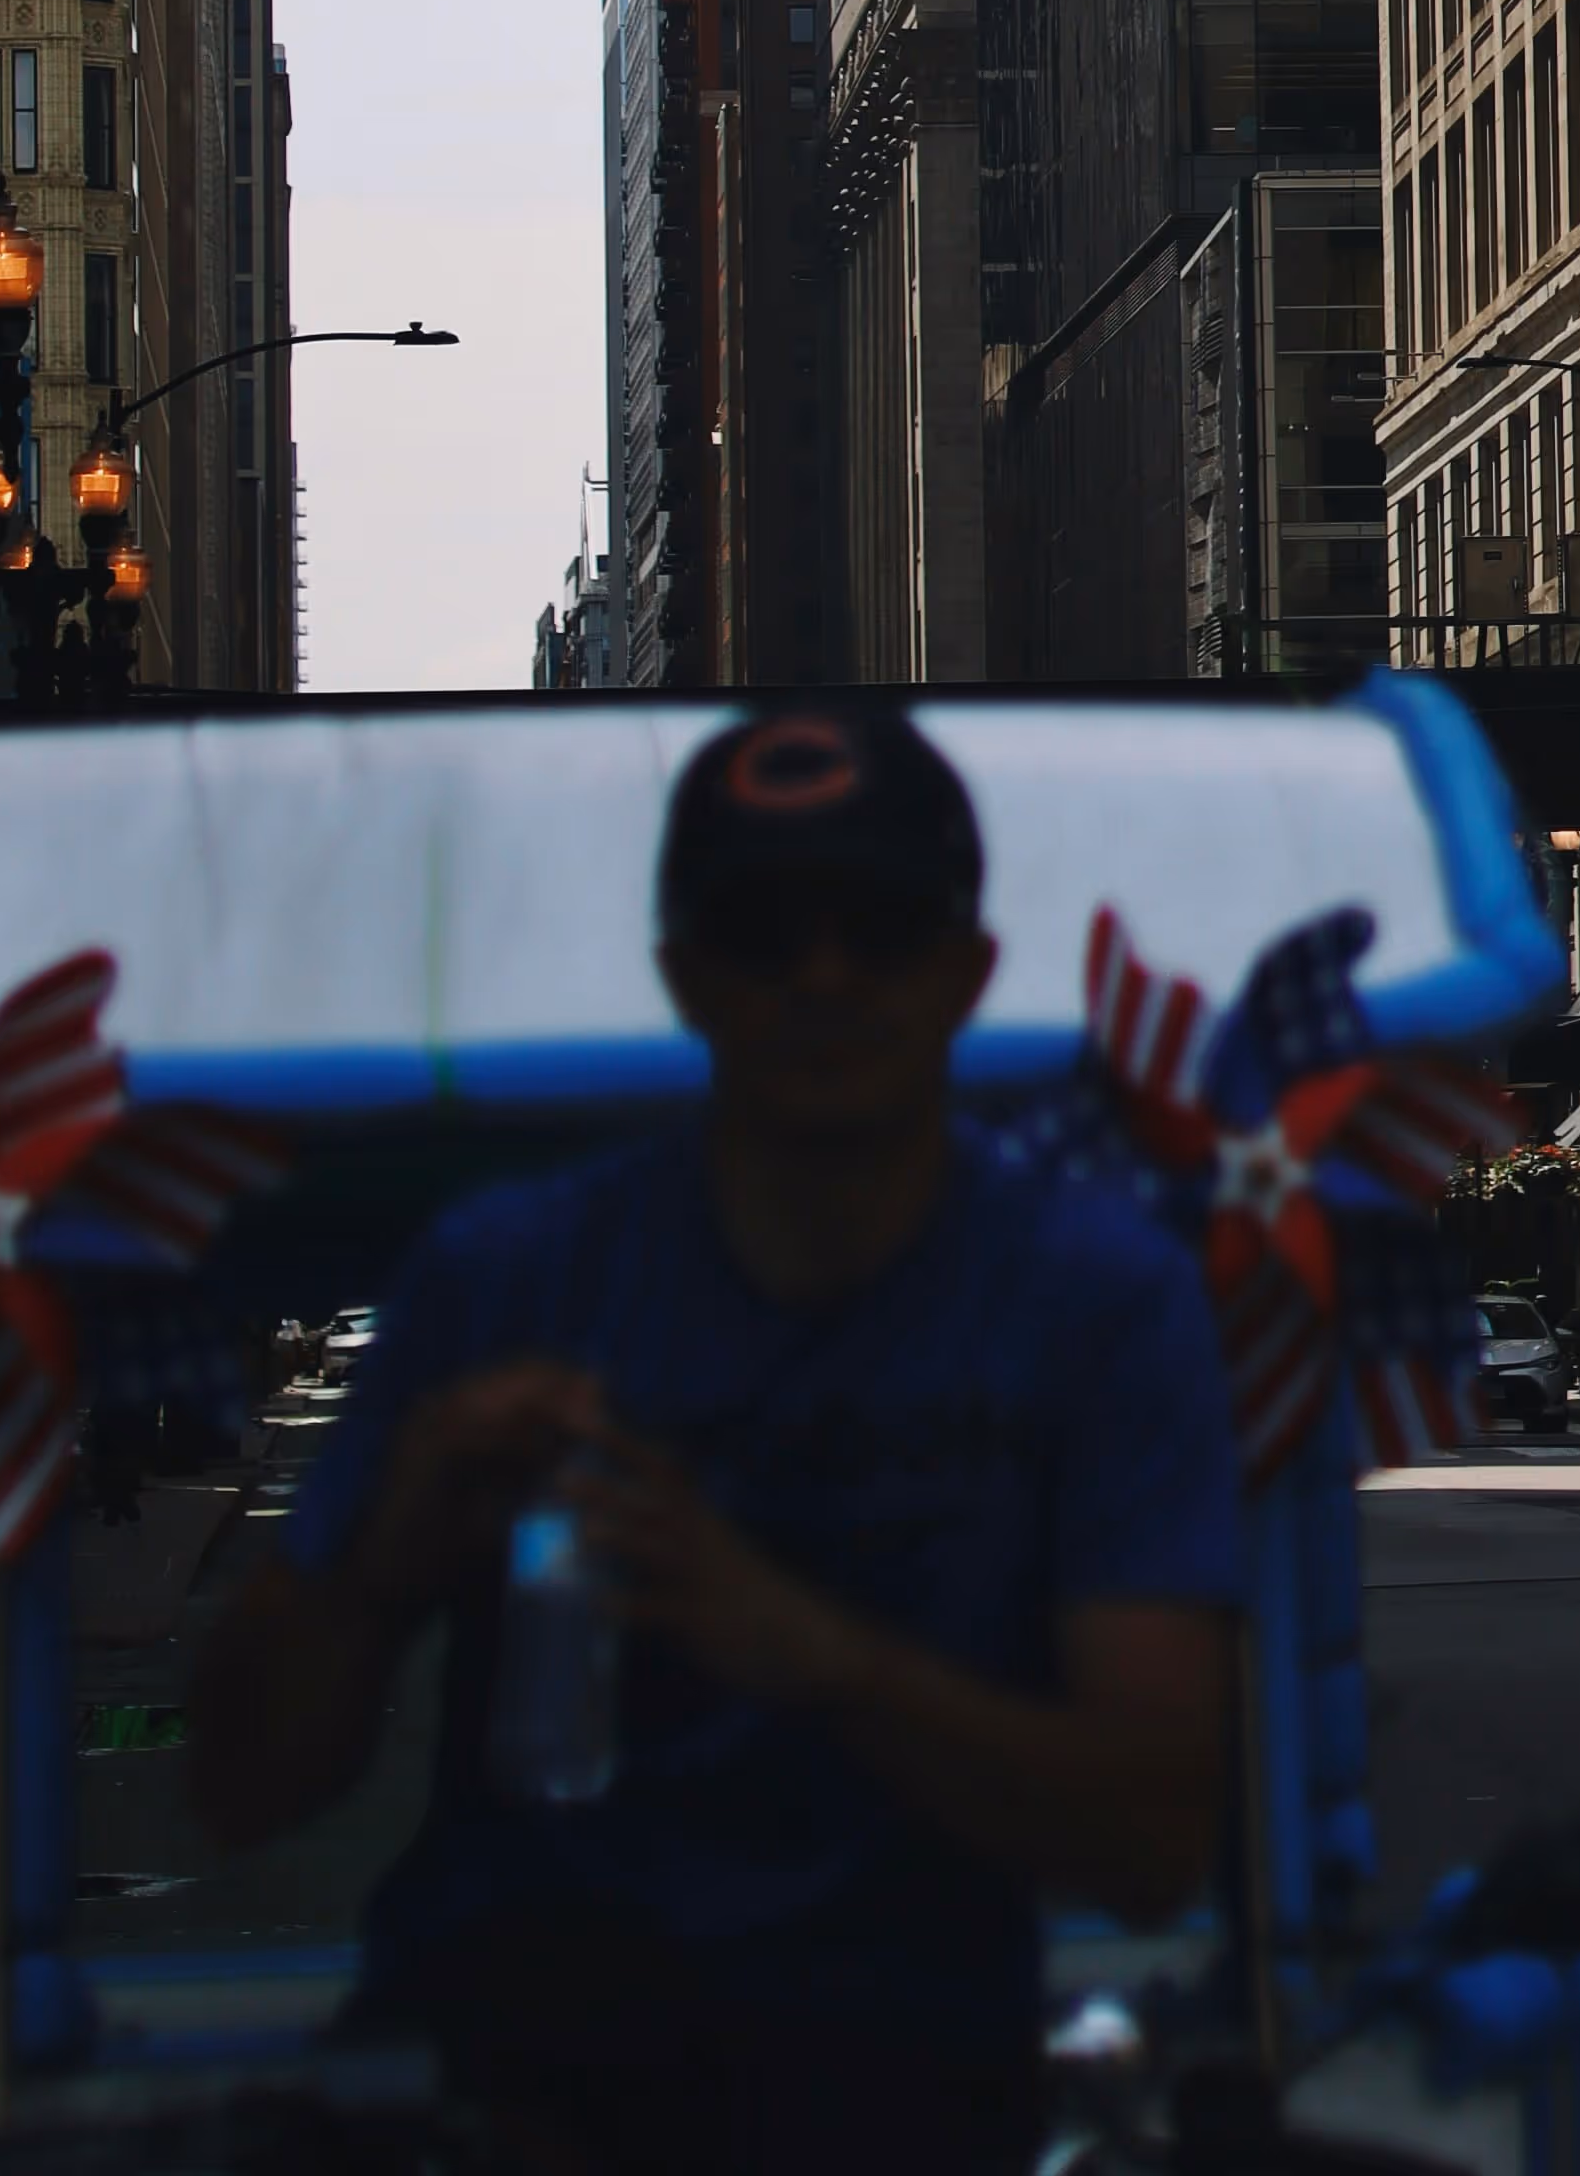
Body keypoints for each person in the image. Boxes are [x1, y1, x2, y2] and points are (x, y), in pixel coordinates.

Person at [193, 702, 1241, 2174]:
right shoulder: (504, 1278)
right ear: (686, 976)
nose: (823, 975)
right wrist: (388, 1553)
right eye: (763, 928)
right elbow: (239, 1790)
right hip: (500, 2090)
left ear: (964, 971)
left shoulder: (1101, 1301)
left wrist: (799, 1646)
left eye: (876, 924)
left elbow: (1150, 1839)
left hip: (907, 2093)